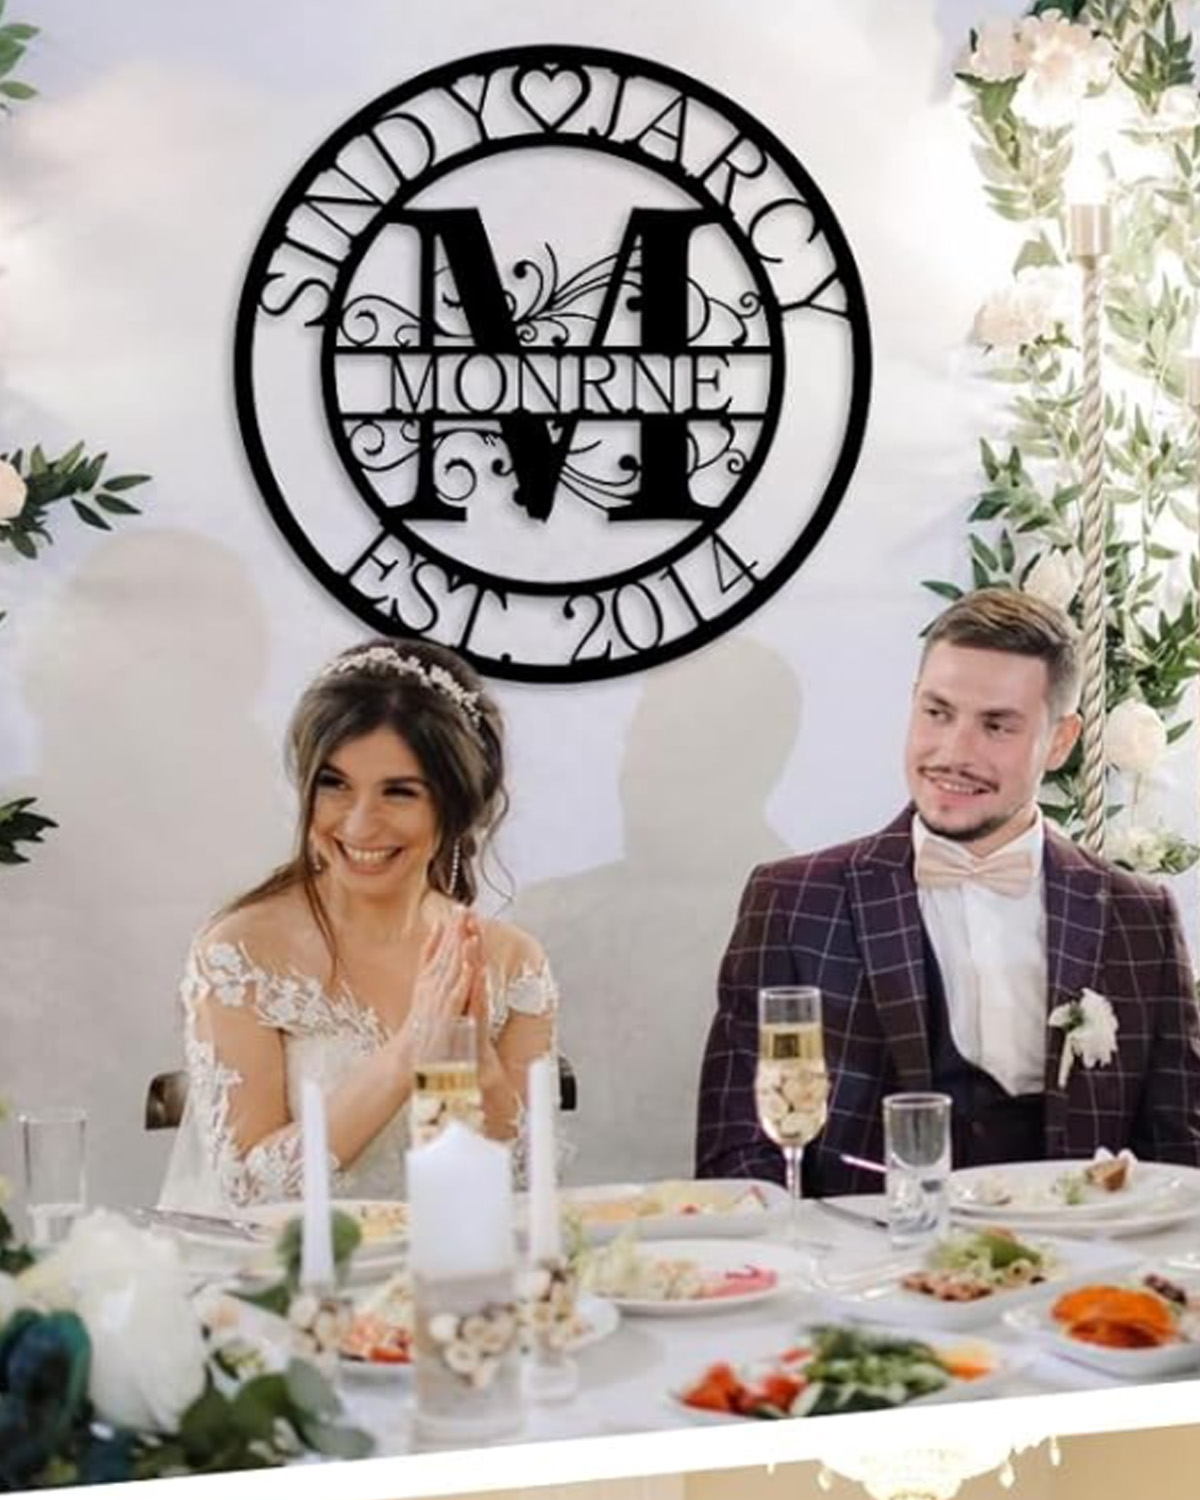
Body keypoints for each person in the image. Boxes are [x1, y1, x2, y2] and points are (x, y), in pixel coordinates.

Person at [695, 588, 1200, 1197]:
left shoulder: (1139, 917)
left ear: (1061, 741)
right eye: (937, 713)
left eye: (997, 725)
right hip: (859, 1252)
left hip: (1080, 1254)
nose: (955, 753)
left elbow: (1182, 1168)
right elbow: (736, 1159)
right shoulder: (793, 901)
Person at [159, 638, 558, 1210]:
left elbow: (519, 1191)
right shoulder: (241, 955)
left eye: (399, 792)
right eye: (335, 784)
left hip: (452, 1255)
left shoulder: (510, 964)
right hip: (284, 1262)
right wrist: (409, 1053)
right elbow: (248, 1192)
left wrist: (473, 1066)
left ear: (455, 808)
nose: (360, 824)